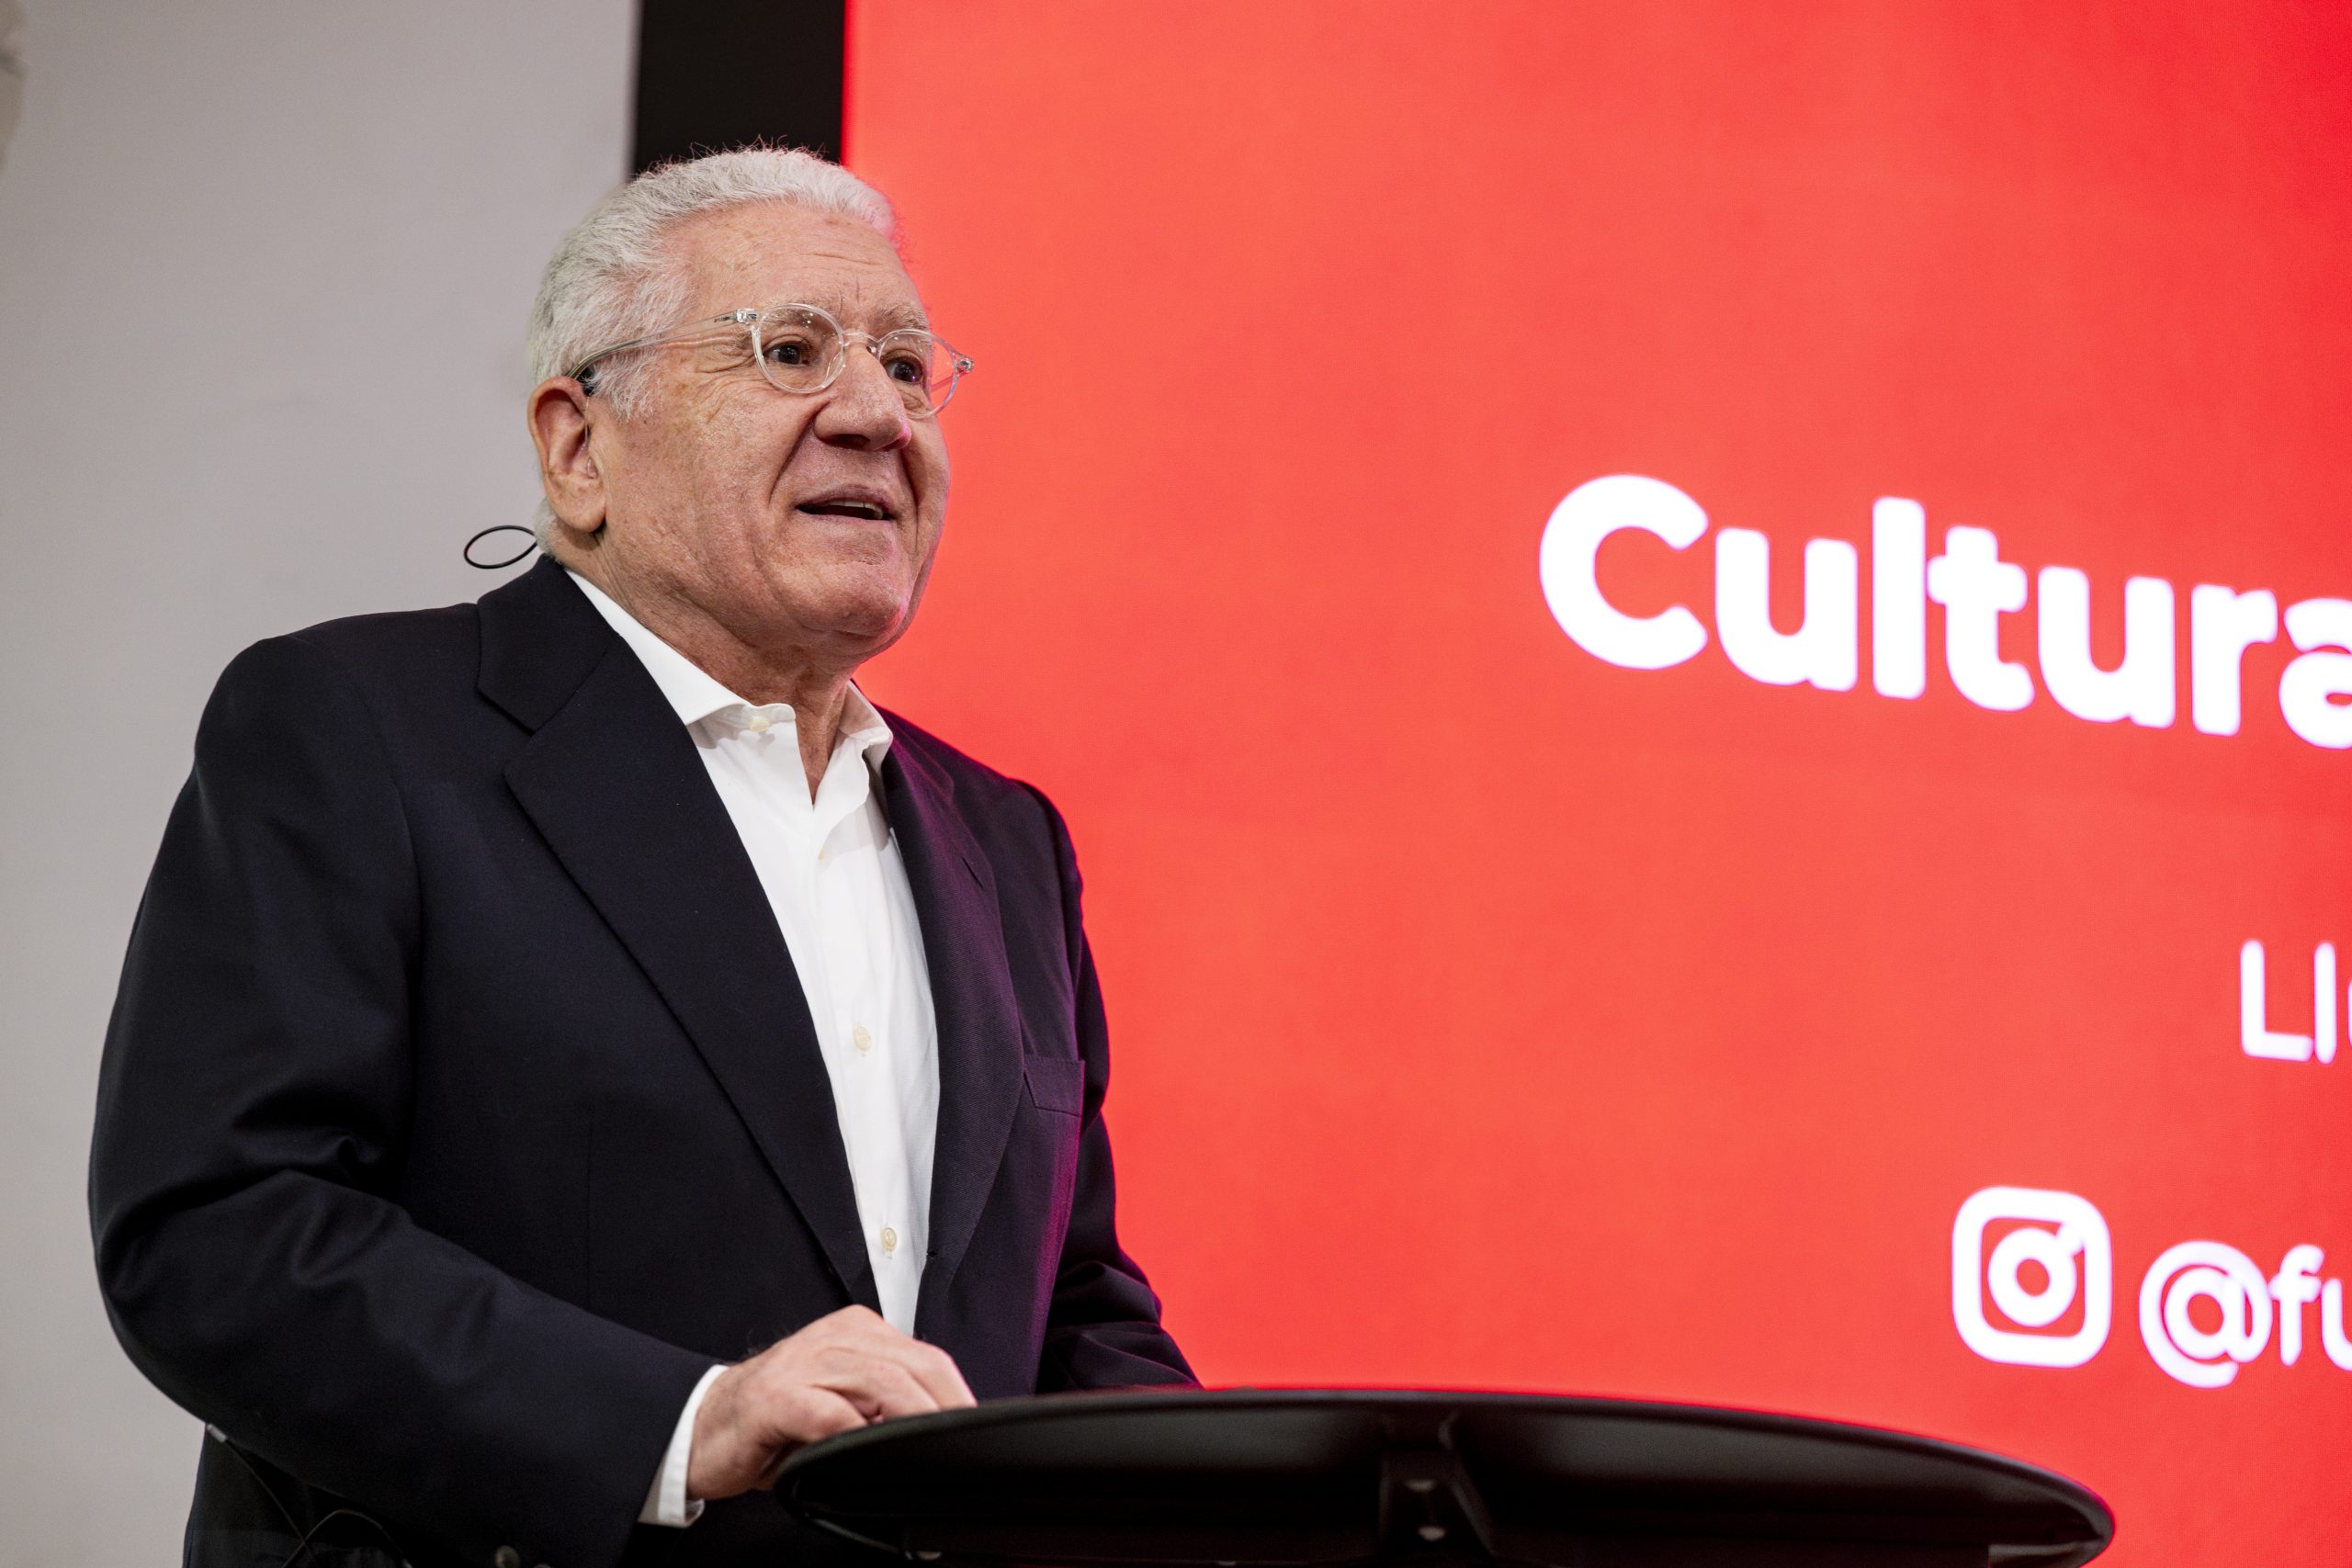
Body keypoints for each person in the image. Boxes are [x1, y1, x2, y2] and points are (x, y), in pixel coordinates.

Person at [89, 147, 1193, 1568]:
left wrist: (1240, 1509)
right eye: (790, 350)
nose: (877, 415)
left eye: (910, 368)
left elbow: (1071, 1310)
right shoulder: (356, 731)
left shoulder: (1007, 839)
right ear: (578, 448)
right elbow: (221, 1236)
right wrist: (678, 1424)